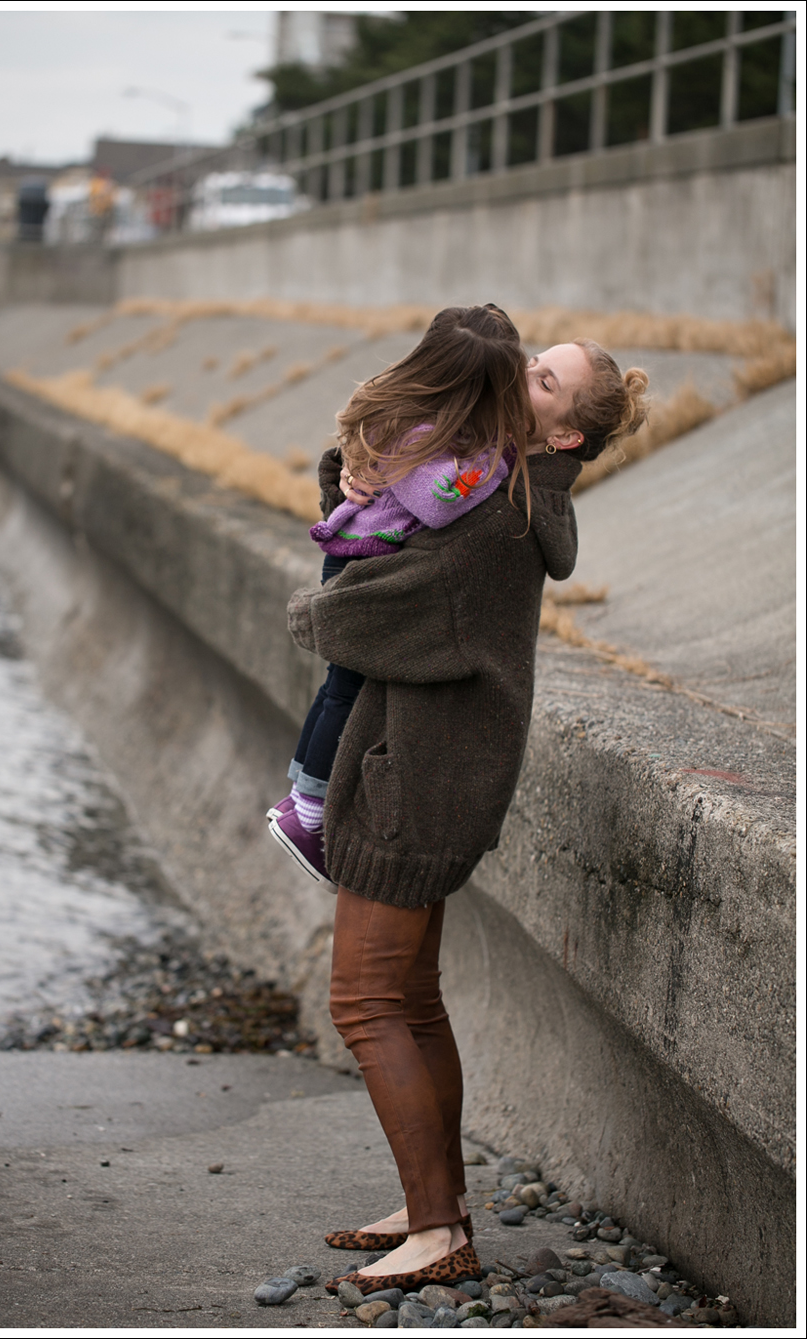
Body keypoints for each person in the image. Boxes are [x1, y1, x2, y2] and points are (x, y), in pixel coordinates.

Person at [283, 334, 649, 1296]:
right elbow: (385, 539)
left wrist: (313, 614)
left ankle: (440, 1228)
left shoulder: (501, 514)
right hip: (444, 769)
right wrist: (362, 471)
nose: (523, 373)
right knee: (411, 995)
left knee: (363, 1001)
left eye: (543, 379)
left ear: (563, 430)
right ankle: (429, 1205)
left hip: (420, 778)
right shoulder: (496, 488)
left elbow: (380, 602)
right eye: (536, 358)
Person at [269, 305, 533, 883]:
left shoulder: (412, 413)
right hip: (360, 566)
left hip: (359, 557)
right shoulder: (415, 433)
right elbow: (441, 502)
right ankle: (309, 810)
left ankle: (299, 798)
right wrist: (501, 459)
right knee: (345, 689)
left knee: (340, 688)